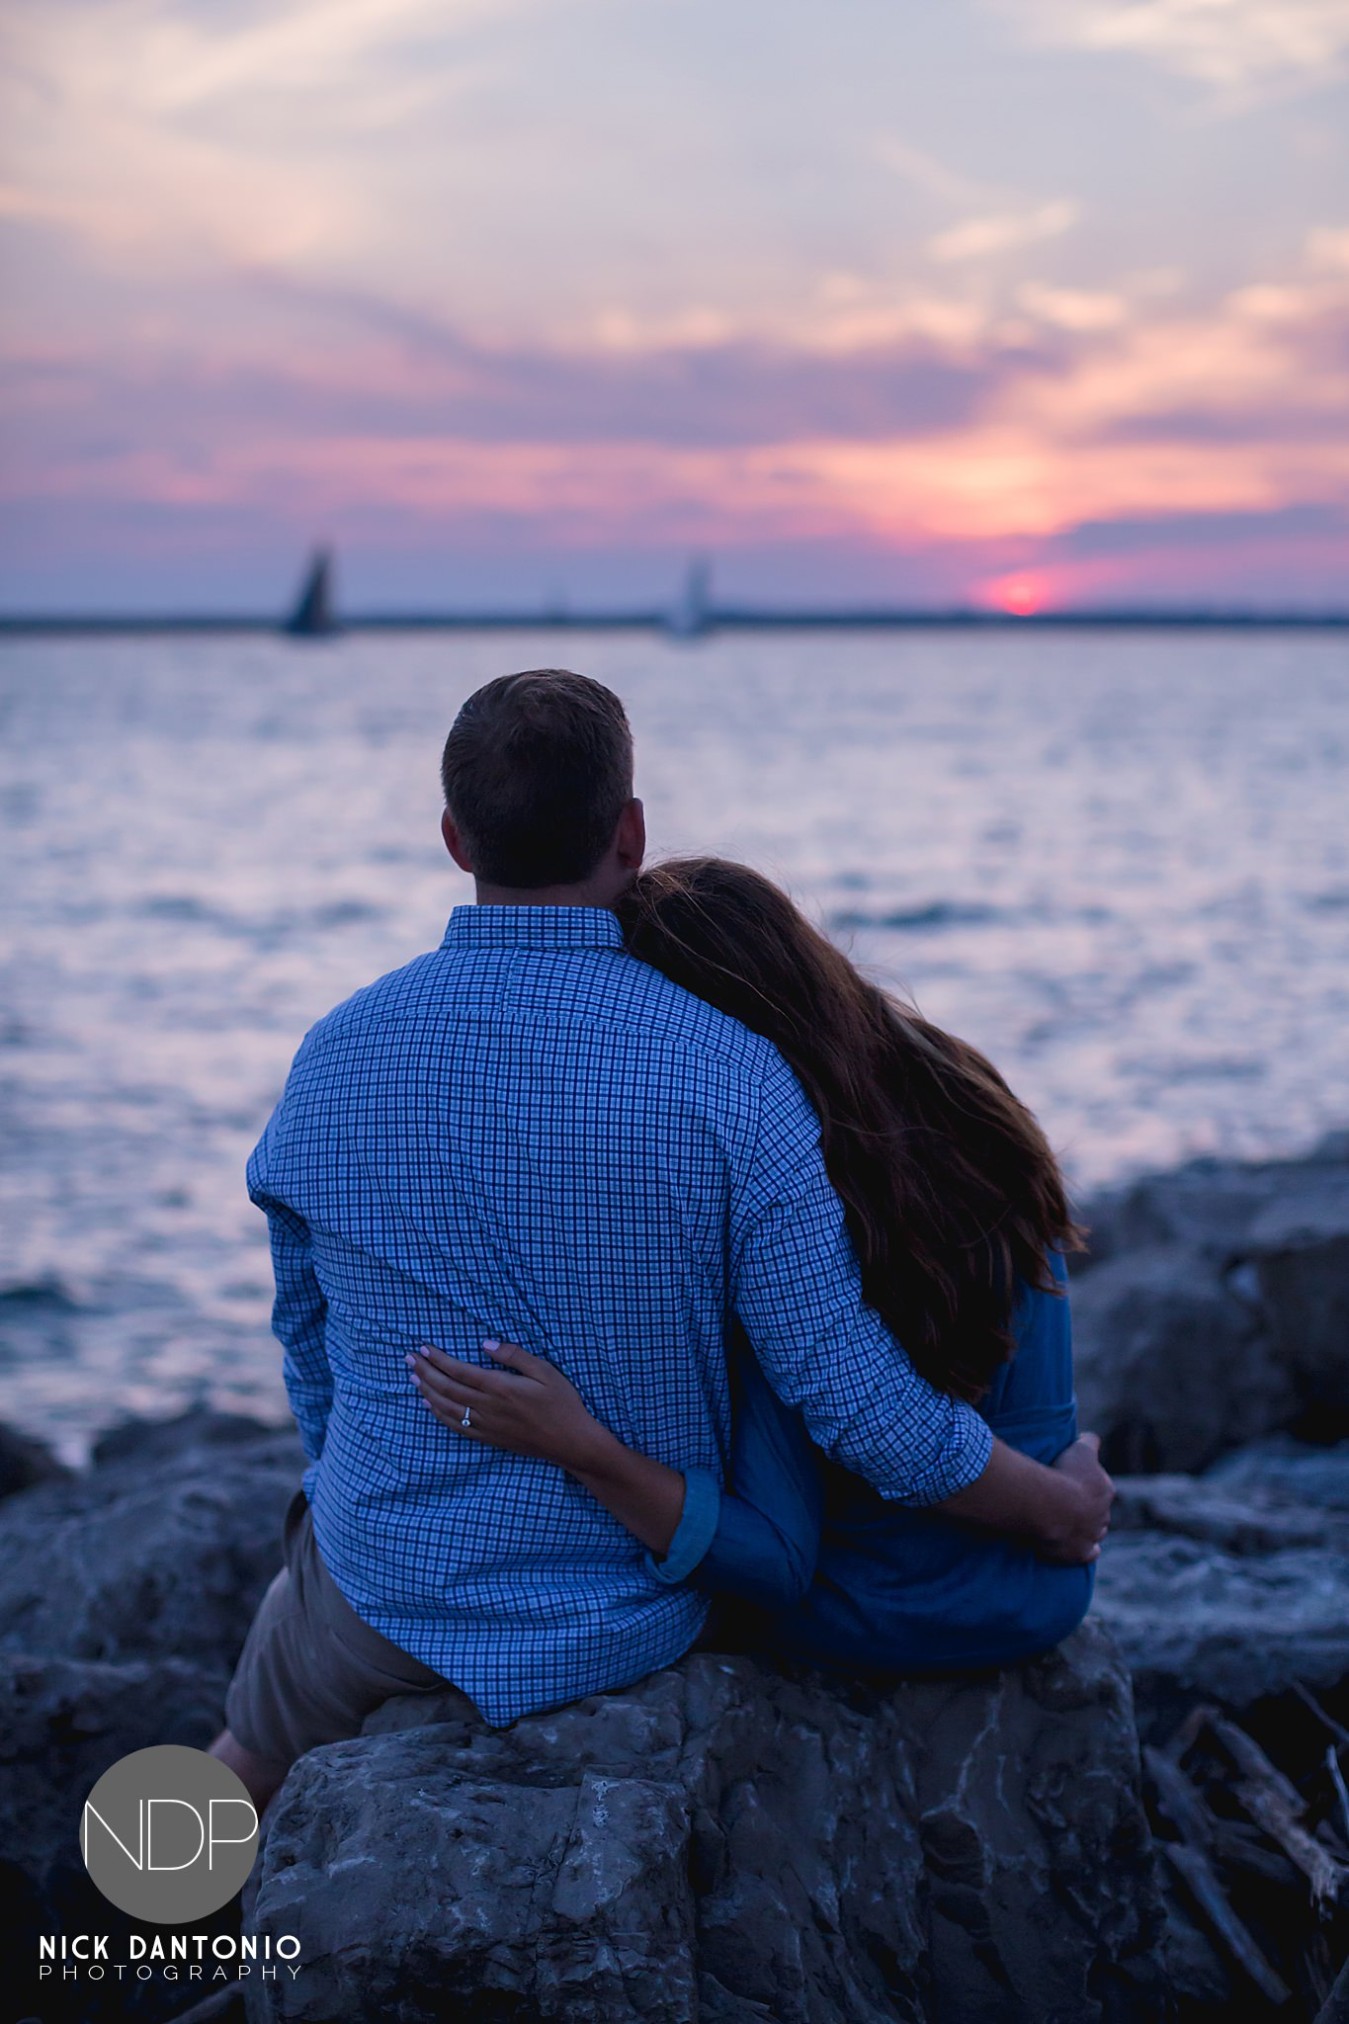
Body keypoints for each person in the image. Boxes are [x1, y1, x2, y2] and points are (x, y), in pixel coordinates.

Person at [210, 671, 1112, 1815]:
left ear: (451, 837)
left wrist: (376, 1493)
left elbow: (308, 1337)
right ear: (630, 833)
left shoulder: (334, 1055)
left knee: (243, 1751)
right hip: (627, 1616)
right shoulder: (734, 1075)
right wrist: (1051, 1507)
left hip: (388, 1587)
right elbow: (848, 1398)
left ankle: (111, 1951)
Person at [409, 856, 1100, 1676]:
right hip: (1039, 1590)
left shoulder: (784, 1181)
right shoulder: (960, 1091)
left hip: (865, 1610)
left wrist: (581, 1446)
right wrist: (1063, 1508)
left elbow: (802, 1520)